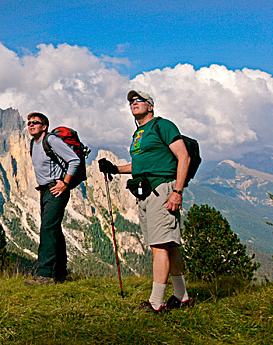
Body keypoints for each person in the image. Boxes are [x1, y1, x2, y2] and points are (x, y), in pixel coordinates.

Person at [98, 90, 193, 313]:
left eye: (138, 100)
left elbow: (184, 157)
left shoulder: (163, 125)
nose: (133, 103)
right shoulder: (138, 133)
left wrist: (177, 191)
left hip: (162, 189)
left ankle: (156, 302)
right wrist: (115, 169)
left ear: (150, 106)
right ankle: (182, 296)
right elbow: (140, 166)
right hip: (145, 191)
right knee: (170, 246)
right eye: (131, 101)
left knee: (159, 246)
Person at [24, 112, 80, 286]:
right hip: (45, 190)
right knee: (54, 229)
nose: (31, 125)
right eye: (29, 123)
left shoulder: (52, 141)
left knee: (48, 228)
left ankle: (45, 275)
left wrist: (65, 183)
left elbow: (74, 160)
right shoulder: (33, 143)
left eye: (35, 122)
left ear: (44, 126)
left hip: (57, 190)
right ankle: (60, 272)